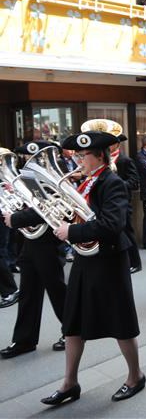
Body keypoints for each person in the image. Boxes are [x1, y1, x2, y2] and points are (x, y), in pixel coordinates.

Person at [41, 131, 144, 406]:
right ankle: (69, 382)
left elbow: (112, 225)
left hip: (109, 259)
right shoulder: (85, 182)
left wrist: (71, 230)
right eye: (77, 155)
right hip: (85, 257)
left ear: (100, 156)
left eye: (83, 155)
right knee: (72, 321)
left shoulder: (113, 183)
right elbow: (75, 213)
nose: (78, 160)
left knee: (120, 321)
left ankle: (135, 376)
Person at [0, 141, 66, 359]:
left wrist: (16, 218)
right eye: (24, 158)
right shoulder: (24, 179)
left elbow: (44, 209)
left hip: (47, 241)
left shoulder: (49, 178)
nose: (26, 162)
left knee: (56, 289)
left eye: (31, 159)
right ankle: (24, 340)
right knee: (28, 291)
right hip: (30, 242)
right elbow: (28, 204)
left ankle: (73, 332)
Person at [110, 134, 142, 273]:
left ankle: (135, 263)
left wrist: (116, 184)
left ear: (117, 144)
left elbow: (134, 182)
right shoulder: (104, 159)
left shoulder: (125, 160)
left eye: (111, 143)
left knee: (128, 232)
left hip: (123, 201)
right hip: (110, 202)